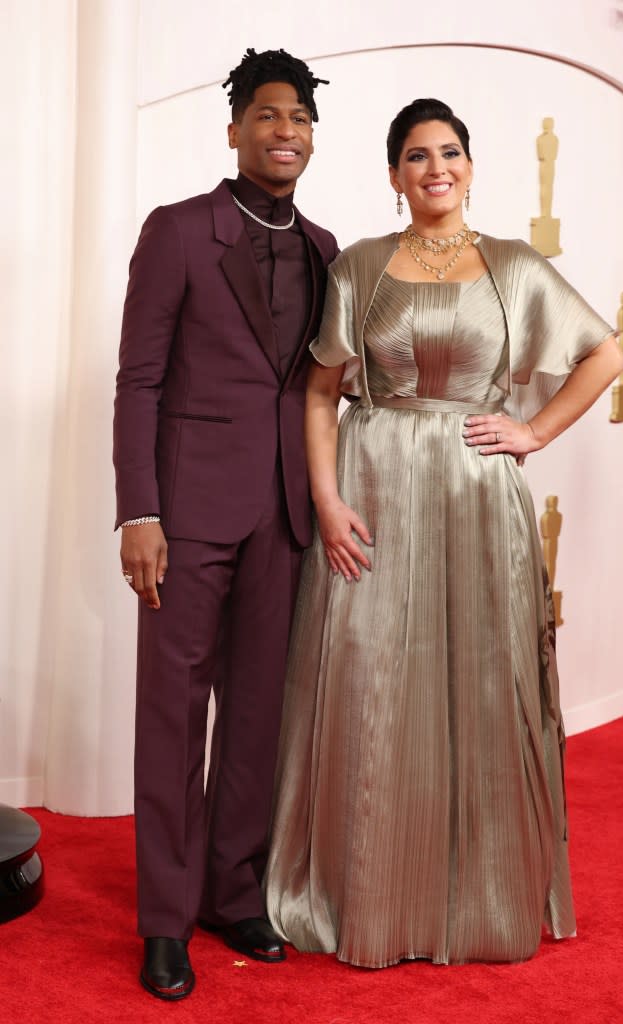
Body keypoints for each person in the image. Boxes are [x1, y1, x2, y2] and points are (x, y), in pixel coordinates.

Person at [264, 98, 623, 968]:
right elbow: (321, 391)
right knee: (368, 680)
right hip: (372, 488)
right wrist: (325, 499)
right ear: (393, 174)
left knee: (478, 674)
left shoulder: (512, 265)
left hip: (474, 491)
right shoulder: (358, 267)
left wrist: (532, 432)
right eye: (417, 155)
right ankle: (365, 892)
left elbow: (603, 354)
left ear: (469, 166)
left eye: (450, 152)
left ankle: (477, 895)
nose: (436, 167)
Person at [113, 48, 337, 1000]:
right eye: (269, 114)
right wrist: (139, 510)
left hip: (285, 515)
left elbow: (327, 388)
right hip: (189, 512)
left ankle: (229, 889)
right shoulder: (175, 231)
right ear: (236, 126)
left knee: (256, 717)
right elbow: (139, 381)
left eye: (301, 118)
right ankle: (164, 920)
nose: (286, 131)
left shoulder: (330, 249)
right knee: (173, 720)